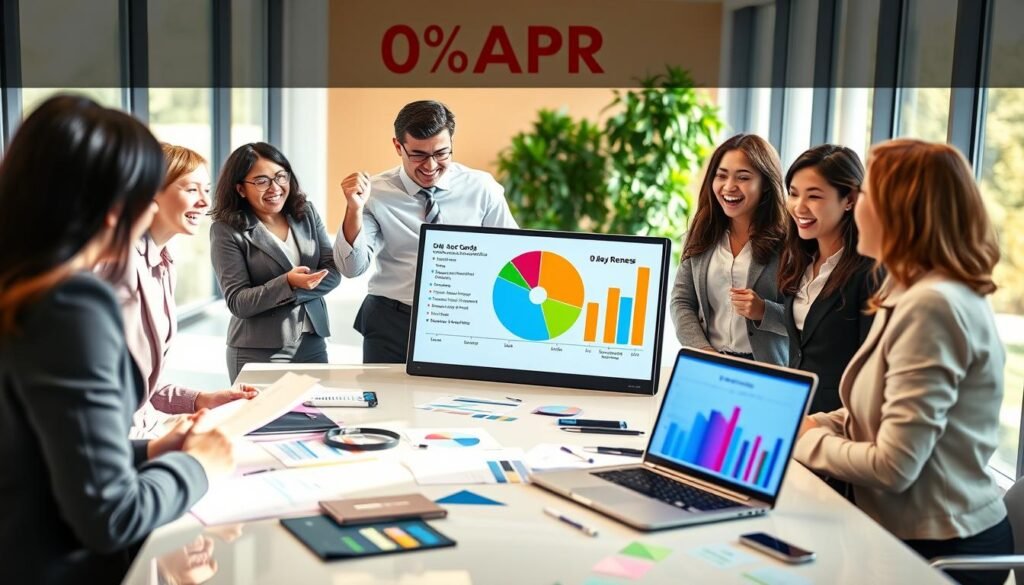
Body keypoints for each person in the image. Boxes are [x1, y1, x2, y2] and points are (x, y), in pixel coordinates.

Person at [0, 95, 235, 584]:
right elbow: (110, 516)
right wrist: (198, 467)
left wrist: (148, 453)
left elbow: (33, 455)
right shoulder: (70, 304)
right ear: (114, 208)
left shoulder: (20, 289)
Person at [795, 139, 1012, 585]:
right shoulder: (905, 288)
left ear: (901, 209)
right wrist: (817, 423)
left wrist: (797, 444)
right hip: (895, 532)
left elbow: (893, 466)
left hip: (937, 552)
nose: (857, 207)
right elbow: (875, 405)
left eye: (867, 194)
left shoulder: (934, 305)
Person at [333, 100, 518, 363]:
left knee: (457, 401)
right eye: (418, 155)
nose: (430, 166)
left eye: (441, 153)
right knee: (387, 402)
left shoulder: (482, 189)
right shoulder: (375, 193)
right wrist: (353, 209)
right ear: (398, 146)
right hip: (392, 321)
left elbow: (511, 257)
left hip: (462, 320)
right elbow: (352, 268)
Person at [101, 144, 258, 436]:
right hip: (116, 438)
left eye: (207, 190)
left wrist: (201, 400)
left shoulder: (163, 263)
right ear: (151, 193)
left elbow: (139, 382)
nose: (204, 202)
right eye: (191, 189)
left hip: (146, 426)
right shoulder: (116, 265)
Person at [210, 142, 341, 382]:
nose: (275, 188)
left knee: (319, 418)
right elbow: (238, 302)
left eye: (281, 176)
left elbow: (332, 271)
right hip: (258, 351)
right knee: (264, 420)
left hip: (312, 343)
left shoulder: (306, 213)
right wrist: (288, 284)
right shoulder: (226, 230)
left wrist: (296, 291)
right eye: (261, 181)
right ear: (240, 189)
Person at [670, 133, 788, 365]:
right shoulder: (701, 234)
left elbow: (805, 317)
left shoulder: (788, 242)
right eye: (721, 176)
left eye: (743, 178)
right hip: (709, 363)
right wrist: (704, 352)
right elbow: (681, 302)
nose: (729, 187)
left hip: (767, 369)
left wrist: (764, 311)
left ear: (765, 184)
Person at [777, 145, 879, 414]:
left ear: (849, 199)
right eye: (794, 194)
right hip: (793, 414)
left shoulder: (869, 272)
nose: (799, 207)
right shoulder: (798, 260)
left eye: (814, 196)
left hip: (839, 424)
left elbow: (871, 369)